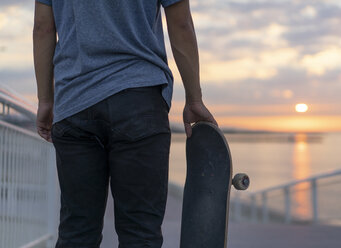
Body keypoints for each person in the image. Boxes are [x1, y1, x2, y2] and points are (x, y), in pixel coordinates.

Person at [33, 0, 217, 247]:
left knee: (77, 231)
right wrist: (194, 98)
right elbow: (181, 23)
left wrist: (46, 100)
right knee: (140, 233)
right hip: (140, 100)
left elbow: (43, 27)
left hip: (75, 102)